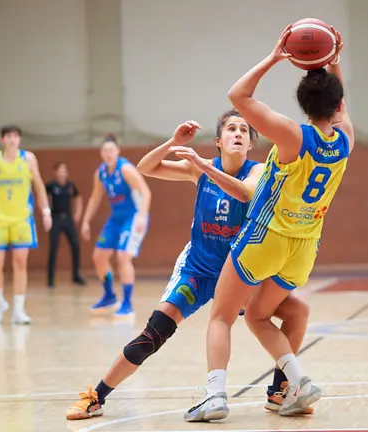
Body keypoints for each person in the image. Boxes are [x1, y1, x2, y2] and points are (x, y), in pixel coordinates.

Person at [66, 112, 312, 420]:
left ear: (251, 143)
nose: (237, 133)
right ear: (219, 141)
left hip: (239, 272)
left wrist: (203, 166)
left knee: (297, 311)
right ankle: (97, 396)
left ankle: (279, 391)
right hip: (197, 269)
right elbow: (146, 168)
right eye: (230, 129)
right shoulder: (200, 169)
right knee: (154, 333)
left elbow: (243, 191)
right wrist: (174, 143)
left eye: (244, 130)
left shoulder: (259, 170)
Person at [185, 26, 351, 420]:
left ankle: (215, 396)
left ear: (301, 103)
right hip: (305, 248)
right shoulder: (345, 140)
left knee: (223, 315)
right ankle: (298, 380)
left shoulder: (293, 136)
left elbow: (237, 95)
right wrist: (334, 62)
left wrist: (277, 56)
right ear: (338, 104)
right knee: (260, 316)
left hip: (267, 238)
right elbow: (340, 106)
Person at [0, 125, 53, 324]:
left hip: (22, 220)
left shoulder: (28, 159)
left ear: (19, 140)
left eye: (16, 136)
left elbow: (39, 185)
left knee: (20, 262)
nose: (12, 139)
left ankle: (19, 309)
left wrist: (45, 211)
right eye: (8, 136)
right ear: (2, 140)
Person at [80, 135, 152, 318]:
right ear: (101, 153)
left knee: (122, 256)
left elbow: (146, 192)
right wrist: (86, 220)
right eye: (105, 151)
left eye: (111, 150)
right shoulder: (101, 173)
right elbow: (95, 198)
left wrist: (142, 216)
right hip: (116, 218)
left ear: (117, 151)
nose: (108, 154)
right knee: (99, 256)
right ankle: (109, 296)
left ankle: (127, 303)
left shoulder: (125, 169)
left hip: (133, 216)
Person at [46, 161, 85, 287]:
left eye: (64, 170)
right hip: (55, 219)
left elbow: (78, 197)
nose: (63, 172)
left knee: (75, 246)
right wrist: (46, 213)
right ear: (55, 172)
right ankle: (50, 279)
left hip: (68, 219)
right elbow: (43, 197)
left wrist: (78, 212)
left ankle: (76, 276)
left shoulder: (70, 186)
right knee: (53, 248)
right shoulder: (51, 186)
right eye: (60, 170)